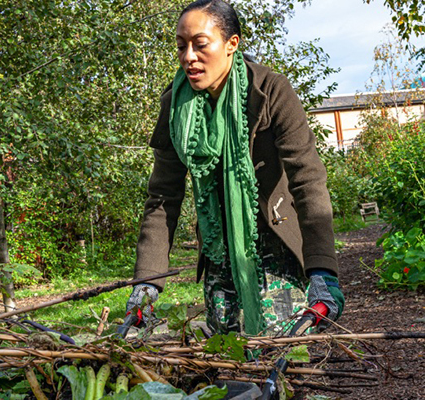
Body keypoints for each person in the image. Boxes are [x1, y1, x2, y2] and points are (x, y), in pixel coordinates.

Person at [125, 0, 344, 336]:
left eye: (200, 45)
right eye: (181, 47)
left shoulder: (270, 91)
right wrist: (147, 281)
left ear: (231, 44)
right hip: (217, 247)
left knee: (282, 347)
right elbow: (163, 197)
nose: (188, 57)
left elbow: (307, 179)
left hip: (274, 243)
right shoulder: (174, 106)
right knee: (227, 349)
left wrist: (322, 270)